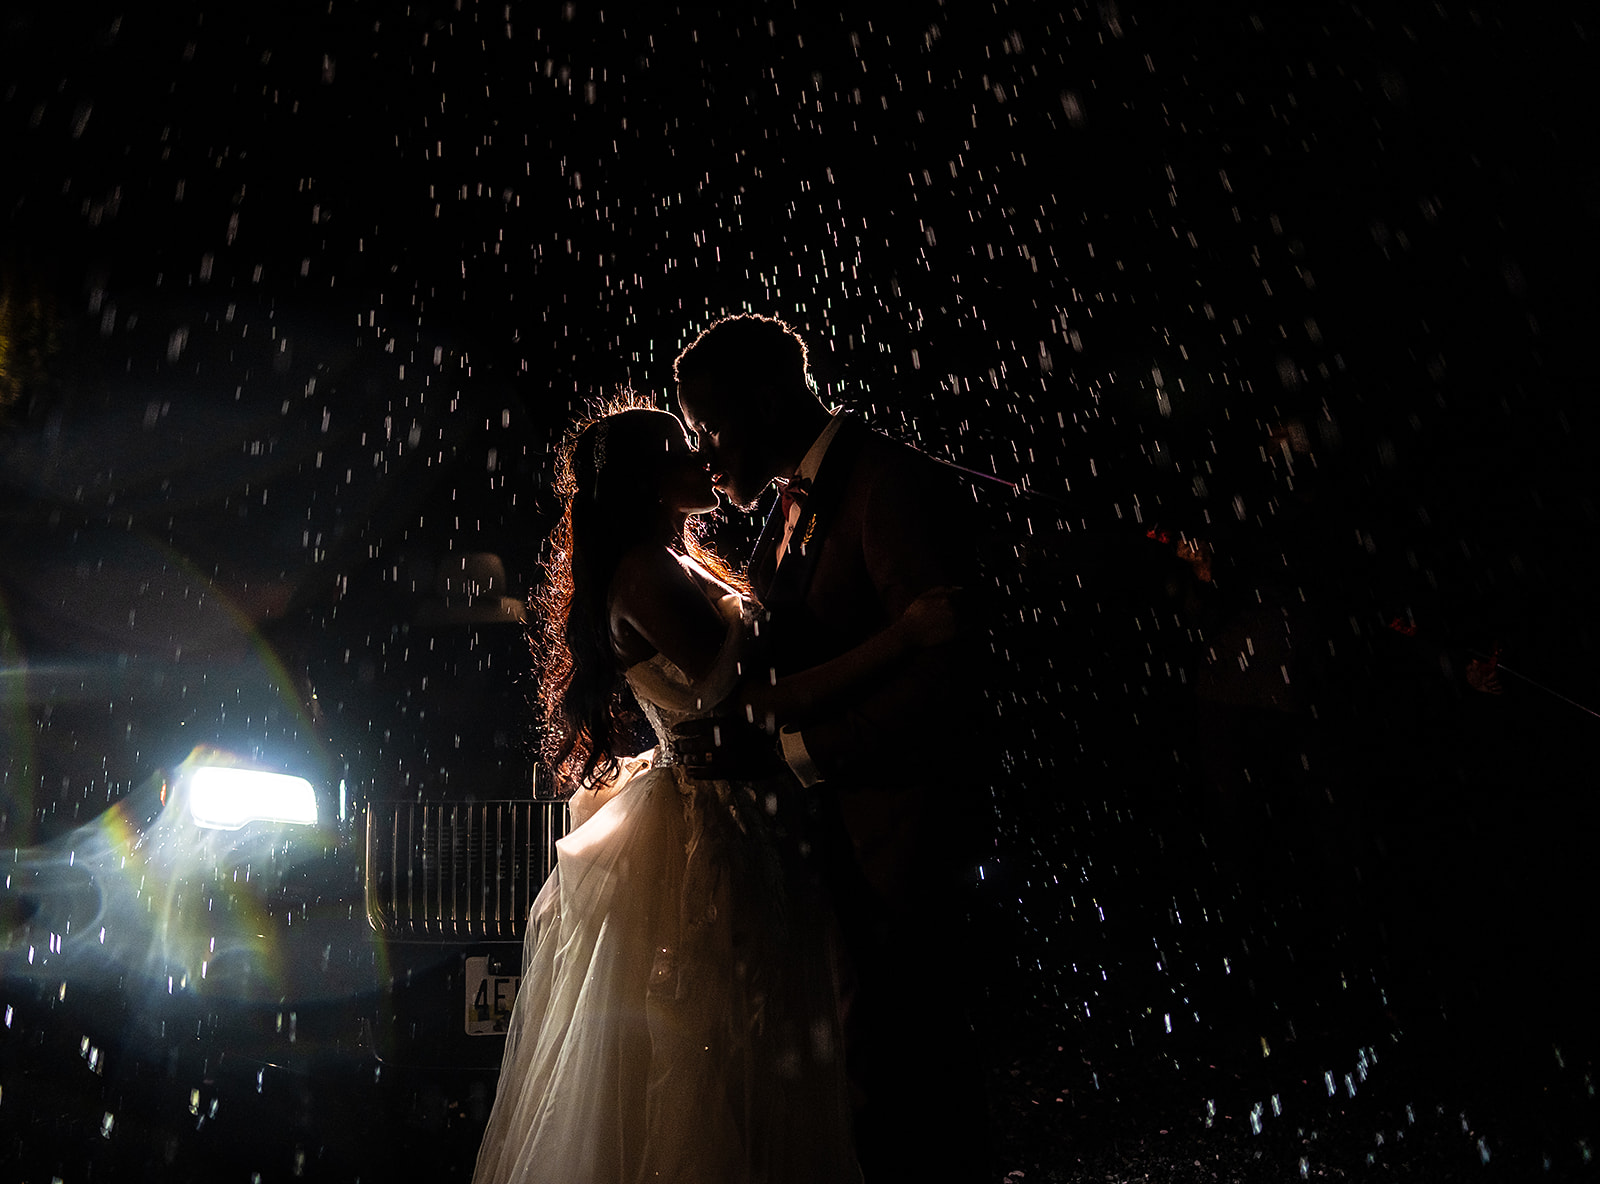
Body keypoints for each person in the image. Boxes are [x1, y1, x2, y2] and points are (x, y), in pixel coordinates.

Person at [471, 399, 956, 1184]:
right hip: (711, 824)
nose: (703, 456)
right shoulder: (644, 574)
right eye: (680, 450)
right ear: (646, 480)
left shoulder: (674, 558)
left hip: (742, 807)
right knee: (724, 1052)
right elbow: (760, 702)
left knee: (761, 1043)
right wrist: (901, 639)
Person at [673, 314, 991, 1183]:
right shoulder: (794, 500)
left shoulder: (886, 485)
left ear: (767, 399)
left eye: (713, 427)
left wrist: (796, 754)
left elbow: (945, 682)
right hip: (838, 852)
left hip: (903, 843)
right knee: (865, 1091)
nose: (705, 456)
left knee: (912, 1097)